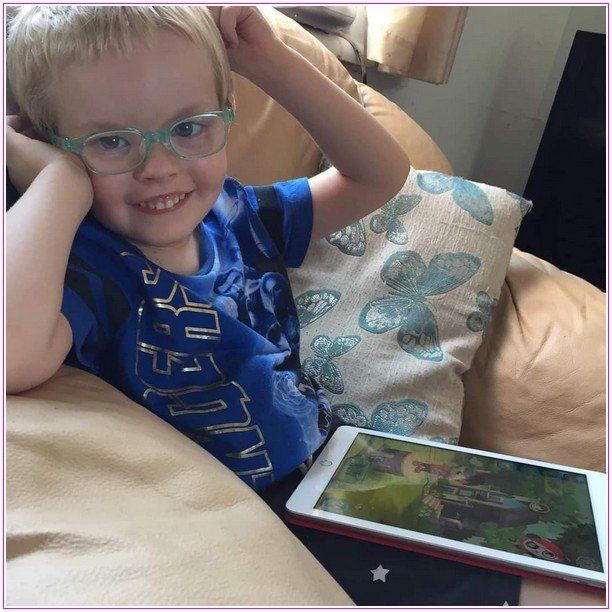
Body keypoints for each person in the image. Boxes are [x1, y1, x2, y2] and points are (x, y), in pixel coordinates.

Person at [7, 6, 599, 607]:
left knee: (573, 540)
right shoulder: (82, 268)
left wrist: (268, 62)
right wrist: (58, 184)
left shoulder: (240, 215)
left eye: (190, 127)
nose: (159, 168)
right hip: (258, 519)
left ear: (227, 113)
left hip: (341, 466)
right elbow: (13, 354)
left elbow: (380, 174)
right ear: (43, 143)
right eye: (110, 142)